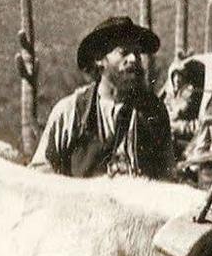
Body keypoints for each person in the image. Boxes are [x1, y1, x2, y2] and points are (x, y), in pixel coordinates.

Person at [29, 14, 176, 180]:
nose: (134, 59)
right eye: (124, 53)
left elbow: (168, 178)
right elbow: (40, 173)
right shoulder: (71, 112)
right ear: (100, 59)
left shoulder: (154, 112)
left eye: (137, 53)